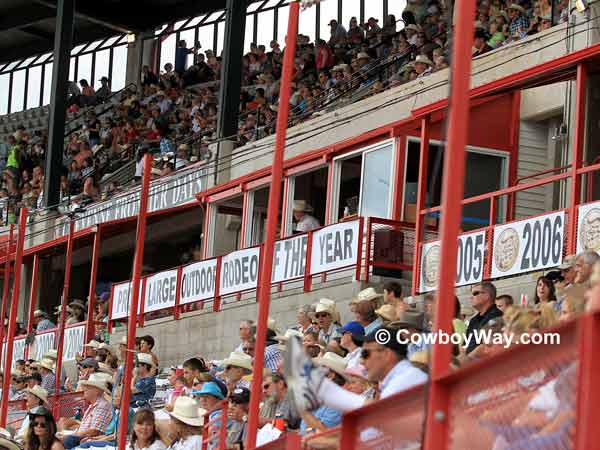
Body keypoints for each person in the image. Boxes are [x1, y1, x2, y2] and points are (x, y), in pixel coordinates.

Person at [284, 326, 427, 417]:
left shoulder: (405, 379)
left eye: (365, 354)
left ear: (386, 354)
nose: (361, 361)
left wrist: (325, 390)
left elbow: (377, 425)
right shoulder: (401, 378)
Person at [60, 374, 113, 449]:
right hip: (84, 436)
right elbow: (87, 428)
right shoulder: (94, 404)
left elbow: (94, 431)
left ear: (96, 391)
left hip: (91, 439)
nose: (84, 388)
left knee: (68, 439)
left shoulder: (102, 405)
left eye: (88, 387)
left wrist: (73, 434)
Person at [466, 282, 503, 354]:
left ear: (487, 295)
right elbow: (464, 346)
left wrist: (466, 360)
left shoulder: (497, 316)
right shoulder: (473, 320)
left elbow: (485, 347)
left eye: (475, 293)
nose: (471, 297)